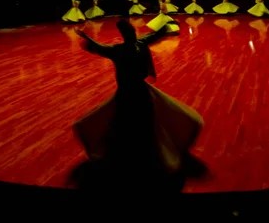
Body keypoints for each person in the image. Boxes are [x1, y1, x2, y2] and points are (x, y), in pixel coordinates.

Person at [73, 20, 203, 184]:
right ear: (125, 33)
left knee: (138, 124)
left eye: (131, 29)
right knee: (132, 124)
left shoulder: (133, 45)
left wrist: (168, 23)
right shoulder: (120, 49)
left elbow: (156, 34)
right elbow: (99, 48)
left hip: (137, 91)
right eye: (128, 30)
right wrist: (87, 39)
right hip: (128, 92)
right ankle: (135, 159)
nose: (132, 32)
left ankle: (139, 158)